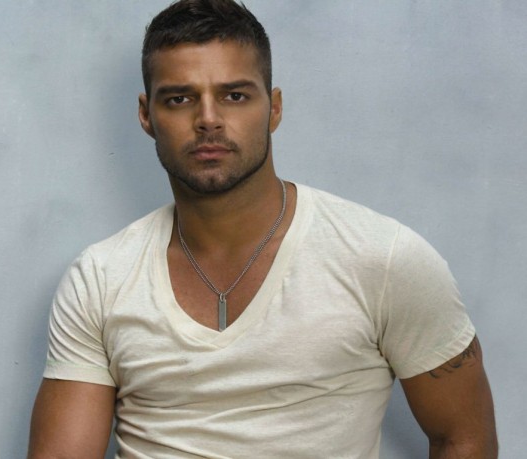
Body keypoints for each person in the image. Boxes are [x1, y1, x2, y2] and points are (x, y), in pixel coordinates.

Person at [27, 1, 497, 458]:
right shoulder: (101, 278)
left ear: (273, 108)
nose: (208, 119)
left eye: (234, 95)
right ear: (147, 115)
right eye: (179, 98)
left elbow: (463, 438)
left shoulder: (384, 258)